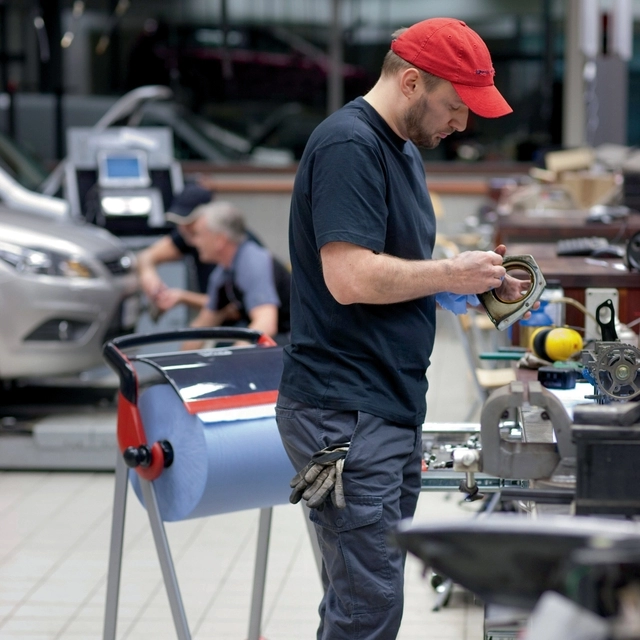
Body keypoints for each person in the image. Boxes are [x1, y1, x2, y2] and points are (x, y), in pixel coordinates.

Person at [275, 17, 529, 640]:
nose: (463, 125)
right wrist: (448, 270)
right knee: (369, 608)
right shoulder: (349, 147)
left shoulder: (404, 150)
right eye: (455, 107)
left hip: (385, 403)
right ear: (411, 81)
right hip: (345, 409)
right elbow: (350, 277)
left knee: (364, 599)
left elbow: (399, 266)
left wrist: (466, 287)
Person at [182, 201, 291, 349]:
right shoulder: (223, 274)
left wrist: (231, 360)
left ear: (219, 240)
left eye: (199, 235)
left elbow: (266, 325)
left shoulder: (252, 262)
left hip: (294, 341)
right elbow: (203, 324)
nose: (195, 242)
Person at [136, 183, 215, 315]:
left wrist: (182, 297)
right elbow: (146, 256)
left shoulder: (234, 248)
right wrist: (149, 276)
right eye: (179, 223)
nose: (183, 229)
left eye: (189, 223)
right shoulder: (186, 235)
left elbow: (229, 308)